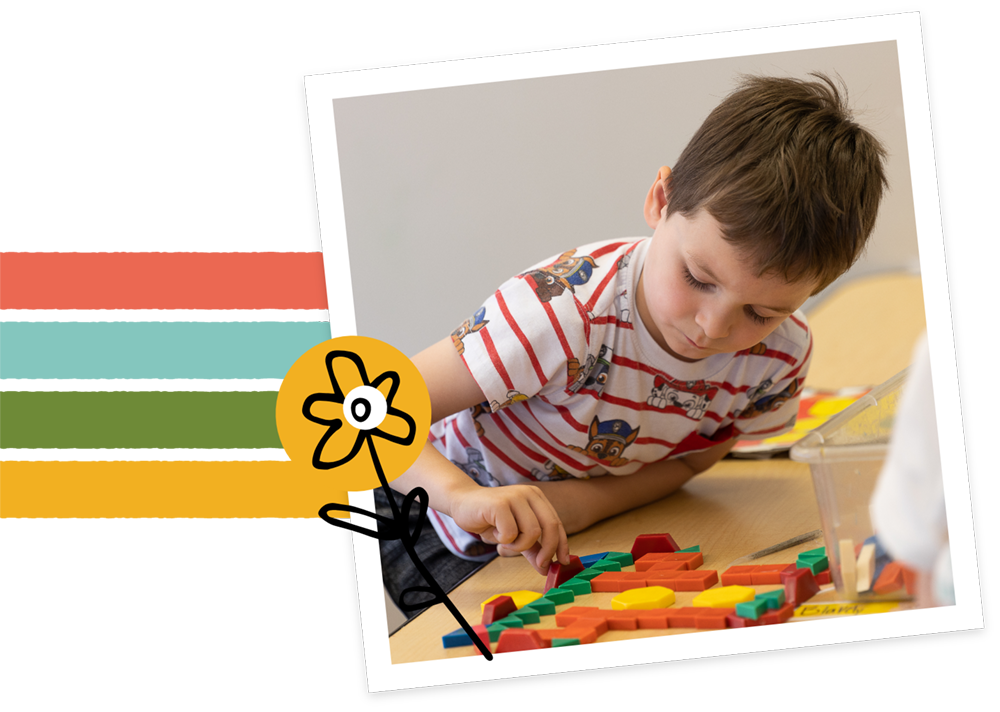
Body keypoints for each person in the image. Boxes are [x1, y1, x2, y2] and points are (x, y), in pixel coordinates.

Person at [376, 72, 888, 616]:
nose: (714, 327)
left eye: (761, 312)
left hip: (580, 523)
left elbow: (697, 460)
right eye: (697, 277)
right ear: (660, 199)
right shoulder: (557, 313)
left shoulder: (778, 358)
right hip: (433, 511)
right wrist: (461, 497)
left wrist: (587, 503)